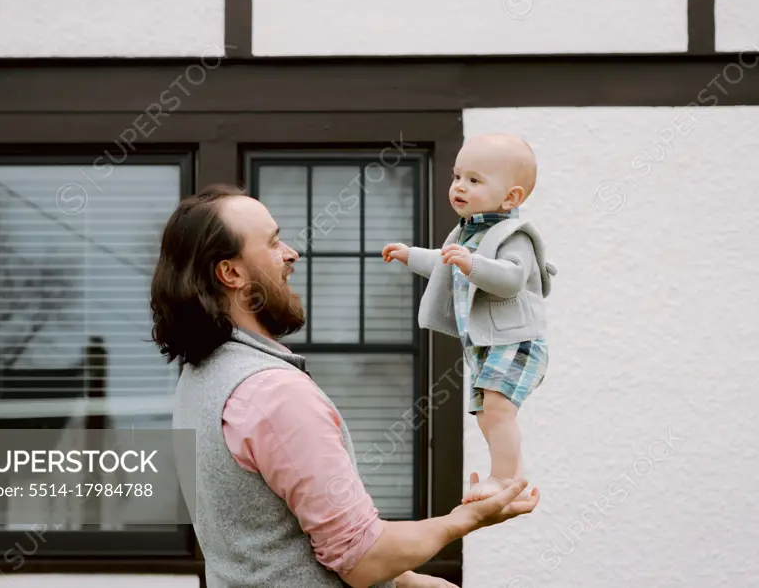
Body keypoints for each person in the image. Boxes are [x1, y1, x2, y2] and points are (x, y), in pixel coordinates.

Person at [152, 184, 539, 588]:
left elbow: (268, 540)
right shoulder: (272, 394)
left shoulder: (200, 376)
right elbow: (363, 559)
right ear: (230, 273)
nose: (291, 253)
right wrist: (468, 518)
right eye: (272, 243)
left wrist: (408, 583)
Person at [382, 133, 555, 503]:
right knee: (488, 414)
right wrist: (409, 254)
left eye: (474, 180)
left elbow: (510, 279)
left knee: (496, 408)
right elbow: (443, 264)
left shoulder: (514, 235)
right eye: (457, 176)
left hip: (517, 339)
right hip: (487, 343)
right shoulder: (466, 232)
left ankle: (502, 478)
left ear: (511, 198)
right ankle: (514, 481)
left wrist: (472, 263)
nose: (459, 186)